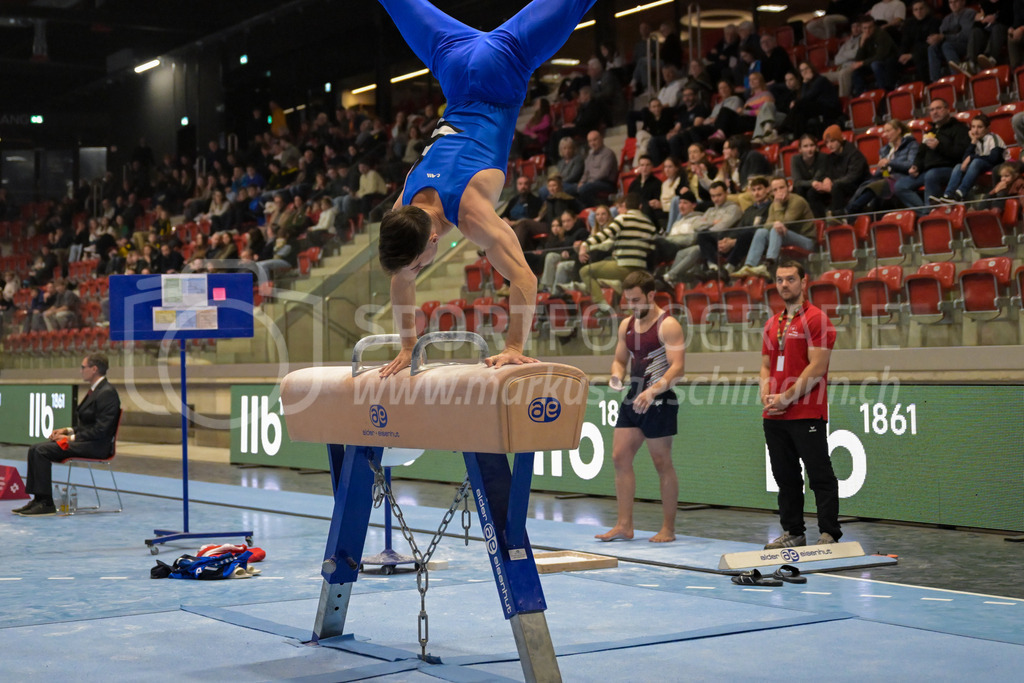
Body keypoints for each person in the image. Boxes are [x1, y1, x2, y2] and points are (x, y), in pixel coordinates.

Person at [376, 0, 598, 376]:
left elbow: (526, 277)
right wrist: (408, 347)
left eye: (416, 266)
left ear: (433, 242)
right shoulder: (405, 209)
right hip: (454, 68)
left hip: (502, 70)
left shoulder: (471, 215)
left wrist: (514, 347)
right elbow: (401, 277)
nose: (413, 273)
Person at [596, 270, 685, 543]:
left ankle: (668, 528)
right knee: (619, 457)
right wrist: (615, 375)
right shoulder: (627, 325)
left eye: (637, 300)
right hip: (634, 397)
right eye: (629, 301)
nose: (633, 306)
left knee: (661, 462)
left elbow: (678, 368)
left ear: (650, 295)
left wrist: (653, 390)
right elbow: (620, 360)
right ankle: (624, 524)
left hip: (660, 399)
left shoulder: (667, 325)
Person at [759, 261, 841, 549]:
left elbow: (817, 367)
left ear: (804, 282)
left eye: (790, 279)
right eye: (780, 280)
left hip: (806, 411)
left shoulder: (817, 320)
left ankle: (829, 533)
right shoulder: (773, 323)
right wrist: (766, 393)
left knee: (819, 474)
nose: (784, 285)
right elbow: (766, 365)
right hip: (775, 415)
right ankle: (793, 532)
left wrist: (786, 398)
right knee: (785, 477)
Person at [14, 354, 121, 517]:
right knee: (35, 449)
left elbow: (101, 430)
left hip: (96, 446)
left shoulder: (107, 393)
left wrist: (69, 439)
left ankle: (46, 503)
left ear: (94, 369)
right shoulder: (95, 391)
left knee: (42, 451)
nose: (81, 371)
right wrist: (67, 430)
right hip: (86, 441)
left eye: (83, 367)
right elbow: (87, 425)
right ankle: (38, 499)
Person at [935, 113, 1007, 203]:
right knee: (958, 166)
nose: (975, 131)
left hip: (998, 165)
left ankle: (960, 193)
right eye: (973, 127)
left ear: (988, 129)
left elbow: (994, 158)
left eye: (979, 127)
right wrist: (973, 142)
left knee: (976, 161)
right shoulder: (975, 140)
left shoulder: (993, 138)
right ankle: (948, 195)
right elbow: (965, 160)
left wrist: (972, 157)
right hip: (981, 165)